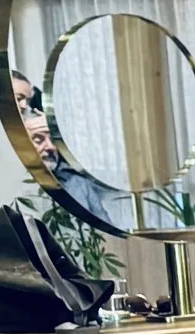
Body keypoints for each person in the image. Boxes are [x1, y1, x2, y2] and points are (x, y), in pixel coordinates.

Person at [10, 71, 124, 228]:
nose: (50, 147)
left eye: (54, 140)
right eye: (19, 98)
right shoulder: (16, 184)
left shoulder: (77, 183)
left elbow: (105, 231)